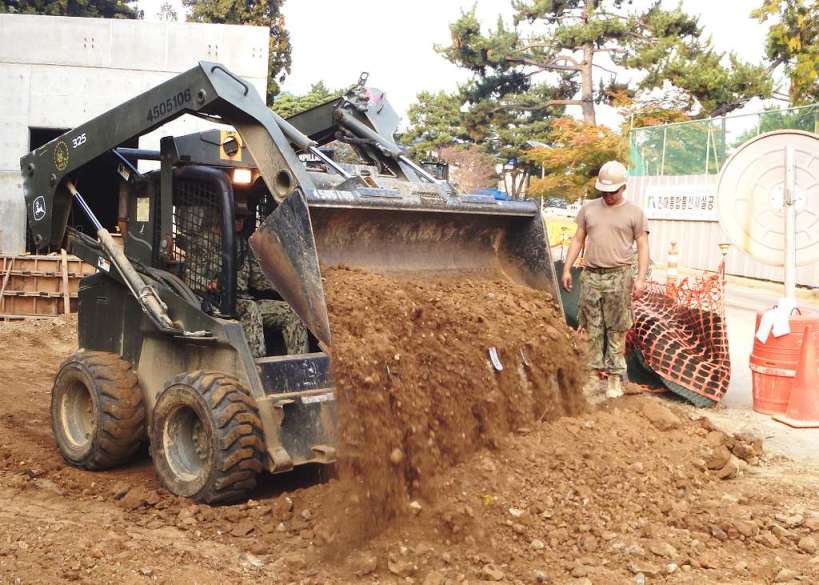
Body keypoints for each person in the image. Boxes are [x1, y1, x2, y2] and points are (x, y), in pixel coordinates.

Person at [561, 160, 649, 398]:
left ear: (623, 188)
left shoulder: (635, 213)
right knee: (591, 328)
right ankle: (591, 376)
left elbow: (642, 245)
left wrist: (640, 278)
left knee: (617, 329)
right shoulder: (588, 209)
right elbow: (578, 239)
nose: (608, 196)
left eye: (613, 192)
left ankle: (614, 379)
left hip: (619, 276)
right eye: (604, 191)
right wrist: (567, 268)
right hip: (591, 275)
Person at [234, 207, 309, 358]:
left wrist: (288, 286)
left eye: (241, 220)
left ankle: (300, 363)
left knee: (291, 312)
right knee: (251, 308)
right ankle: (258, 364)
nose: (240, 223)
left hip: (245, 299)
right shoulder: (203, 242)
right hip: (220, 303)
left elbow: (257, 280)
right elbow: (192, 279)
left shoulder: (241, 245)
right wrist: (211, 284)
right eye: (236, 219)